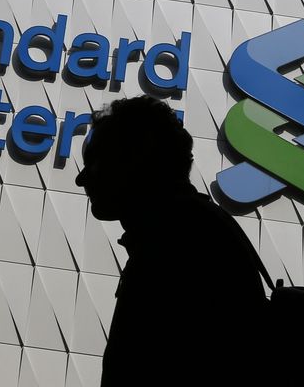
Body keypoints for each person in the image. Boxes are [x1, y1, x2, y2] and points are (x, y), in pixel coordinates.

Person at [75, 96, 269, 385]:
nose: (82, 179)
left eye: (95, 162)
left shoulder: (178, 247)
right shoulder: (191, 229)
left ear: (133, 160)